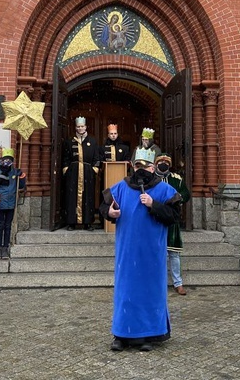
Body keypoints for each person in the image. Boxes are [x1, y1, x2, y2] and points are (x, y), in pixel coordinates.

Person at [100, 148, 182, 352]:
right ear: (132, 166)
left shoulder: (164, 191)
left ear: (153, 167)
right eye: (137, 165)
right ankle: (121, 335)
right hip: (127, 253)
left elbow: (174, 216)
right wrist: (109, 212)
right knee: (126, 292)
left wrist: (153, 204)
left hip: (151, 254)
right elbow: (104, 208)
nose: (141, 169)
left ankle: (148, 335)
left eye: (145, 166)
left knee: (149, 292)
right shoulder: (121, 187)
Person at [154, 153, 191, 296]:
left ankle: (178, 283)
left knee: (174, 253)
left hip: (171, 218)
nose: (163, 164)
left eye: (166, 162)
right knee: (158, 253)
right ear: (156, 164)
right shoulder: (151, 178)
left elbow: (185, 193)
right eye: (161, 161)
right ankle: (158, 284)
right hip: (156, 218)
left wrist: (176, 200)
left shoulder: (176, 178)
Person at [62, 116, 100, 231]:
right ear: (75, 127)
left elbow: (97, 157)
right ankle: (71, 222)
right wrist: (66, 169)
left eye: (82, 126)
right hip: (73, 172)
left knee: (88, 196)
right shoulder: (70, 141)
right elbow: (65, 158)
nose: (80, 128)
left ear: (85, 127)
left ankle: (88, 222)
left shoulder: (92, 141)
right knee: (71, 197)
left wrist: (94, 169)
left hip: (88, 172)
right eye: (78, 127)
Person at [0, 148, 26, 259]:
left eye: (9, 159)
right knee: (0, 225)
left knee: (8, 226)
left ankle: (6, 247)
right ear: (2, 160)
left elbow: (21, 186)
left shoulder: (14, 172)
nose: (7, 161)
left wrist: (22, 176)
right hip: (0, 203)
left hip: (11, 203)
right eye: (5, 159)